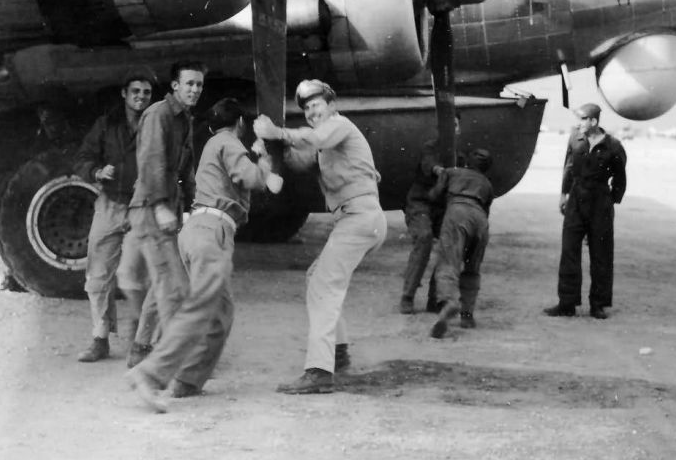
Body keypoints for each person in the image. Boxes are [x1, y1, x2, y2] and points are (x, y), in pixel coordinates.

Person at [126, 98, 282, 412]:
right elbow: (252, 179)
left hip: (203, 231)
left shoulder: (215, 143)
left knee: (221, 314)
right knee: (201, 307)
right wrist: (264, 159)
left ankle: (187, 381)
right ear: (239, 123)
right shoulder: (228, 141)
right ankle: (150, 374)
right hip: (211, 232)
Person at [254, 79, 387, 395]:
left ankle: (319, 370)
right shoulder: (325, 144)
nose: (312, 112)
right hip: (355, 219)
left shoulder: (339, 125)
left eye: (316, 106)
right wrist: (270, 148)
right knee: (317, 277)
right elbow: (299, 160)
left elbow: (313, 138)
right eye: (307, 109)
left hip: (359, 217)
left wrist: (277, 132)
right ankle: (338, 353)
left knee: (323, 285)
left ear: (332, 106)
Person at [123, 60, 205, 406]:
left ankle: (141, 349)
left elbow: (186, 169)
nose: (194, 90)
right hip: (150, 210)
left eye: (199, 85)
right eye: (189, 84)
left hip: (166, 209)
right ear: (174, 86)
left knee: (163, 287)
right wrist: (159, 205)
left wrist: (191, 206)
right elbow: (152, 161)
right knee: (175, 291)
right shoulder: (158, 114)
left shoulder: (184, 118)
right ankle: (165, 374)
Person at [72, 71, 154, 362]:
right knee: (97, 276)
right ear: (124, 94)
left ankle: (143, 341)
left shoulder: (157, 124)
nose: (141, 97)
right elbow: (82, 158)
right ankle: (100, 339)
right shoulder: (106, 124)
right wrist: (96, 172)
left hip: (143, 208)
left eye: (146, 92)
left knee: (137, 277)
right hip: (109, 206)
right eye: (135, 91)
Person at [544, 103, 627, 319]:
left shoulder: (613, 146)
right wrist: (564, 194)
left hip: (600, 203)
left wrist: (610, 201)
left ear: (593, 121)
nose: (578, 123)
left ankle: (598, 305)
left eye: (582, 119)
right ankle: (567, 303)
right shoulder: (575, 139)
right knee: (569, 251)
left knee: (601, 254)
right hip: (576, 199)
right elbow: (569, 167)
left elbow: (620, 179)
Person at [400, 114, 464, 315]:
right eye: (448, 125)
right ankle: (407, 296)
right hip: (420, 204)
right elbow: (428, 164)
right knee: (424, 237)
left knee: (450, 244)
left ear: (459, 129)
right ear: (439, 130)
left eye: (455, 125)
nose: (451, 130)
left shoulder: (460, 157)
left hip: (442, 208)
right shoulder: (429, 148)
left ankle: (435, 298)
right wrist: (441, 171)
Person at [427, 148, 494, 338]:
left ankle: (449, 302)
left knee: (448, 263)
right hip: (480, 220)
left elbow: (434, 196)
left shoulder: (451, 172)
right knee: (472, 269)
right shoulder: (487, 184)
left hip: (457, 213)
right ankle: (467, 315)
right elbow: (487, 209)